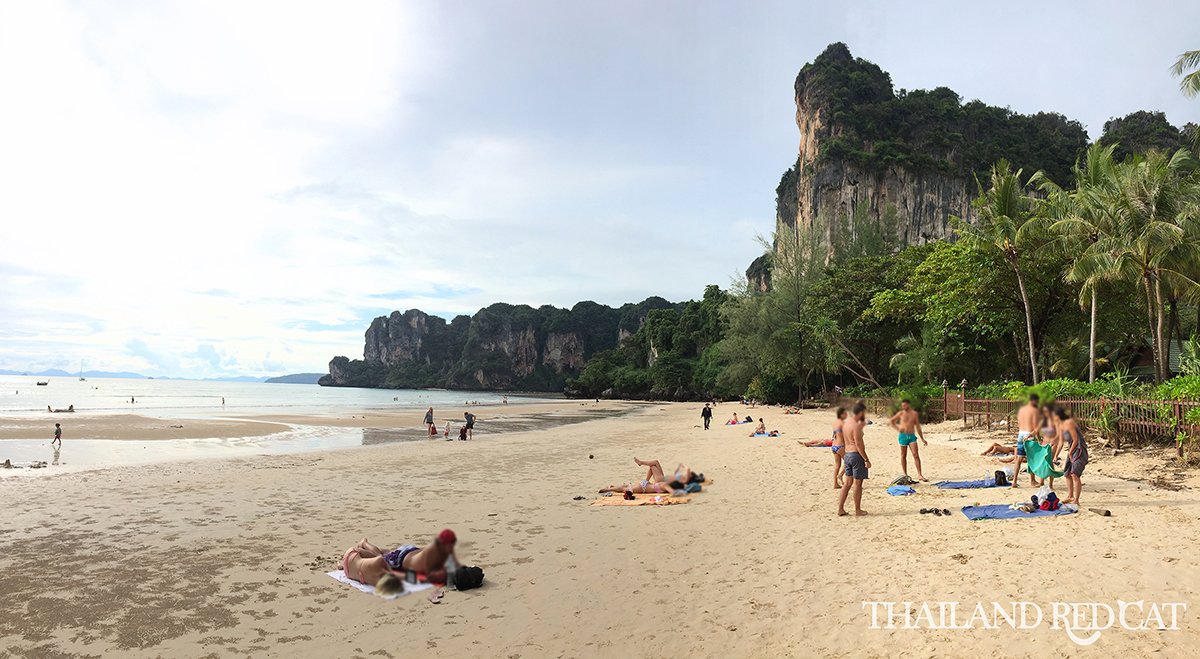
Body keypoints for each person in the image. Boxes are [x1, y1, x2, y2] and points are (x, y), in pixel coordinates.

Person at [340, 530, 459, 590]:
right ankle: (364, 544)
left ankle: (351, 558)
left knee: (386, 553)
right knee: (378, 556)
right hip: (401, 559)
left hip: (410, 550)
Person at [837, 403, 871, 516]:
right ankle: (857, 510)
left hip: (847, 455)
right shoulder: (856, 426)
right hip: (856, 455)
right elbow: (858, 443)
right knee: (857, 484)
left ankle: (840, 508)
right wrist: (866, 459)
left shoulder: (846, 424)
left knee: (847, 483)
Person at [888, 399, 928, 482]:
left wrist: (922, 438)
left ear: (908, 405)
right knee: (903, 455)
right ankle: (905, 474)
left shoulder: (914, 414)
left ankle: (920, 475)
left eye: (905, 405)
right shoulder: (901, 413)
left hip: (912, 436)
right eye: (902, 406)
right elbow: (891, 421)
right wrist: (898, 428)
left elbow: (918, 426)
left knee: (915, 454)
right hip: (903, 436)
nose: (904, 407)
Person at [1055, 408, 1087, 504]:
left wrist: (1070, 452)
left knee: (1075, 474)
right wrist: (1056, 455)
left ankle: (1076, 500)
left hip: (1078, 449)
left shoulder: (1069, 423)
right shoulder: (1060, 426)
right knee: (1067, 473)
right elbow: (1060, 443)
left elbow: (1075, 439)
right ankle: (1070, 496)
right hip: (1071, 449)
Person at [1012, 394, 1041, 488]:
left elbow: (1019, 423)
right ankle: (1032, 480)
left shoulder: (1021, 410)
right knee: (1031, 459)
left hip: (1021, 433)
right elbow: (1036, 427)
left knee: (1019, 459)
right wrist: (1039, 439)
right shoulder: (1034, 411)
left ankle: (1014, 480)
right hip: (1029, 434)